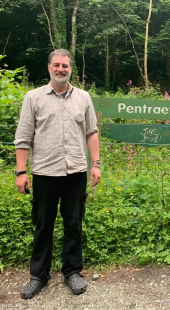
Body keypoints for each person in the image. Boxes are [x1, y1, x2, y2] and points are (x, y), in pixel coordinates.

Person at [14, 49, 101, 299]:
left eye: (65, 65)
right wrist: (21, 171)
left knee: (73, 222)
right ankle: (38, 275)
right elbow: (23, 138)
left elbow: (91, 132)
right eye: (56, 65)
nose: (61, 69)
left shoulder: (83, 98)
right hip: (44, 172)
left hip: (75, 172)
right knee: (43, 225)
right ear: (49, 67)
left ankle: (72, 272)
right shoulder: (33, 97)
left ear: (71, 68)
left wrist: (95, 164)